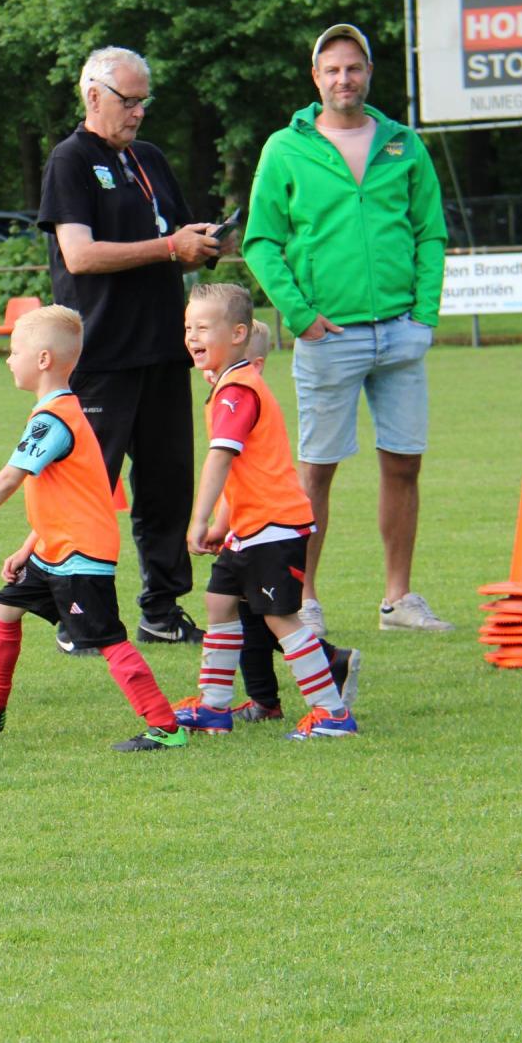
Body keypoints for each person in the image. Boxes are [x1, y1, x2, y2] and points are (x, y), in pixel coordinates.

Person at [244, 23, 452, 635]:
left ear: (369, 73)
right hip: (329, 336)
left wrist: (424, 313)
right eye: (332, 69)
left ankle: (398, 600)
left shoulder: (403, 144)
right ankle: (303, 599)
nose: (344, 79)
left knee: (404, 465)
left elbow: (430, 233)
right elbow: (261, 241)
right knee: (316, 471)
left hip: (401, 331)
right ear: (316, 78)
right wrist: (301, 316)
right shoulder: (286, 147)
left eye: (354, 67)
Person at [0, 306, 187, 751]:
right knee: (5, 607)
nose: (8, 360)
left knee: (108, 639)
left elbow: (10, 478)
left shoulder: (53, 420)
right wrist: (27, 548)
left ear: (43, 359)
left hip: (80, 555)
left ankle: (166, 727)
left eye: (15, 351)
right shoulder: (59, 413)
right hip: (54, 549)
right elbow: (65, 497)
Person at [38, 46, 221, 646]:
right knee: (88, 493)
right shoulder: (69, 159)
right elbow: (80, 255)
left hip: (162, 349)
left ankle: (162, 612)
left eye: (145, 100)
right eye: (129, 100)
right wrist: (170, 248)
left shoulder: (150, 159)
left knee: (167, 490)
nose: (139, 111)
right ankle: (78, 618)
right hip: (100, 355)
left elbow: (174, 239)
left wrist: (200, 244)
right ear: (94, 96)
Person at [173, 284, 356, 740]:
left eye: (203, 328)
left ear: (237, 334)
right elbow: (242, 474)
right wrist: (222, 525)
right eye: (188, 327)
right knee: (219, 603)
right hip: (248, 530)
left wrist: (198, 519)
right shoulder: (227, 387)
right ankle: (214, 706)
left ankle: (332, 713)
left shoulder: (238, 390)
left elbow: (221, 458)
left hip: (274, 527)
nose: (192, 336)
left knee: (280, 618)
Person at [222, 318, 362, 722]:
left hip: (268, 528)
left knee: (271, 614)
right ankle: (266, 700)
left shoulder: (247, 401)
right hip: (246, 526)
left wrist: (215, 524)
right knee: (245, 610)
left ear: (255, 364)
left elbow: (244, 472)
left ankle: (327, 681)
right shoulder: (228, 400)